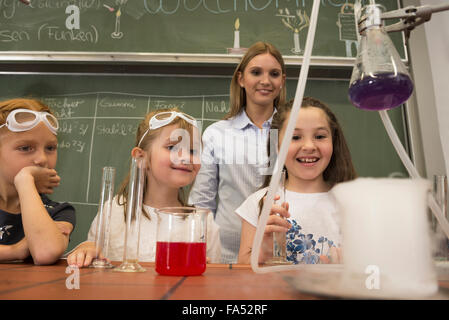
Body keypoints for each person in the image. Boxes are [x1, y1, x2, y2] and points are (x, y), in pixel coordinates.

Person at [67, 108, 221, 267]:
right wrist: (86, 248)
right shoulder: (113, 211)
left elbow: (211, 282)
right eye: (172, 147)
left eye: (193, 150)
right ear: (141, 157)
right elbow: (94, 253)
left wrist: (205, 271)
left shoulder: (203, 223)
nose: (185, 157)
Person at [189, 41, 287, 263]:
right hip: (226, 258)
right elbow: (202, 203)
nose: (265, 81)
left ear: (282, 81)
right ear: (241, 79)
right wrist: (201, 251)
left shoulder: (294, 134)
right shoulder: (216, 134)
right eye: (256, 72)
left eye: (274, 74)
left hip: (281, 255)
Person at [236, 97, 357, 265]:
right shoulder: (259, 203)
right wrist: (264, 252)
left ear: (333, 142)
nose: (308, 146)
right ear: (277, 146)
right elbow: (243, 270)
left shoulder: (354, 202)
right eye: (295, 137)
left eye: (320, 136)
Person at [0, 98, 76, 265]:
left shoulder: (59, 211)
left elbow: (45, 252)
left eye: (50, 148)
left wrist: (25, 180)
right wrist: (14, 251)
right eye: (25, 148)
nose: (42, 159)